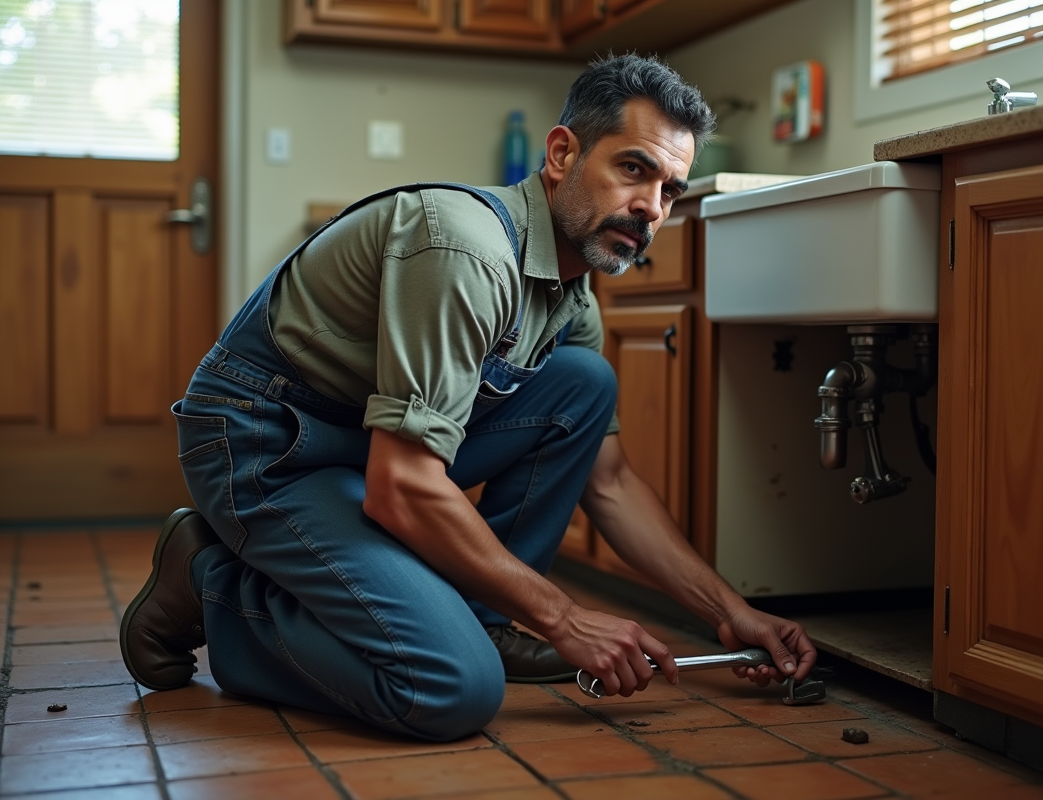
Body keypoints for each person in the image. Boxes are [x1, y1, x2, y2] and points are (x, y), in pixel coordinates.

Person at [119, 53, 817, 742]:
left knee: (585, 385)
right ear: (562, 153)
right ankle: (212, 586)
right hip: (263, 442)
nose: (651, 208)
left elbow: (610, 483)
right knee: (450, 687)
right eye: (633, 168)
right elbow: (402, 489)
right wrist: (562, 617)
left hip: (361, 447)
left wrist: (732, 613)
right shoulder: (468, 252)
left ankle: (480, 619)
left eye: (671, 189)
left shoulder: (571, 296)